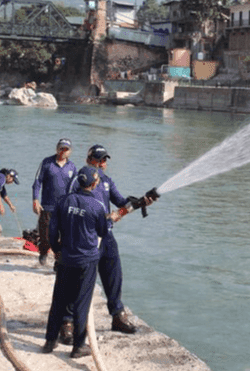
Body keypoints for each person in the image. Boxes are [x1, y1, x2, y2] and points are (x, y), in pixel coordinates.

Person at [67, 144, 153, 337]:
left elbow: (122, 203)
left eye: (105, 160)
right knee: (78, 280)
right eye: (99, 159)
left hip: (106, 236)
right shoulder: (77, 181)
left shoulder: (106, 181)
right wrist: (105, 217)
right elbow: (71, 208)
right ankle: (68, 322)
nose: (103, 164)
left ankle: (117, 316)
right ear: (89, 160)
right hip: (85, 238)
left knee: (114, 275)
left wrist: (141, 201)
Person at [42, 166, 108, 358]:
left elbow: (52, 232)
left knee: (59, 301)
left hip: (66, 259)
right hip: (86, 261)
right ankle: (78, 346)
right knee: (81, 303)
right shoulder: (97, 206)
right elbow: (103, 232)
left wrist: (56, 250)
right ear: (94, 184)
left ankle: (50, 341)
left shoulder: (63, 202)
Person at [32, 138, 77, 265]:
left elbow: (76, 187)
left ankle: (58, 261)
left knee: (63, 237)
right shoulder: (47, 162)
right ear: (57, 149)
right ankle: (43, 254)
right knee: (45, 235)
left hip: (64, 208)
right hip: (47, 206)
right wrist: (35, 199)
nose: (63, 151)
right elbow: (37, 182)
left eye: (66, 149)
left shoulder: (72, 167)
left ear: (70, 151)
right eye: (61, 148)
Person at [0, 168, 20, 235]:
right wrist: (1, 206)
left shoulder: (2, 180)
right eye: (13, 180)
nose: (12, 182)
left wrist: (11, 205)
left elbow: (3, 194)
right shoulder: (2, 178)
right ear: (9, 176)